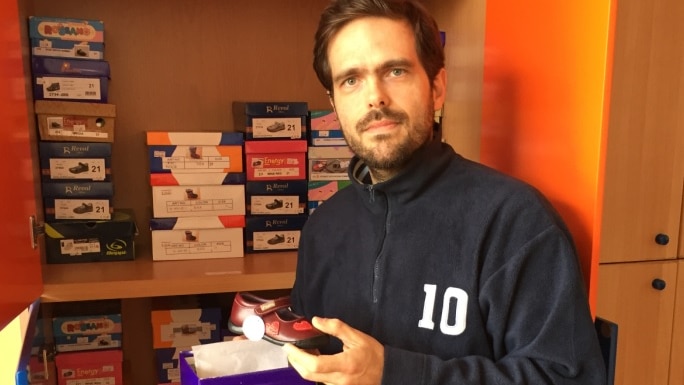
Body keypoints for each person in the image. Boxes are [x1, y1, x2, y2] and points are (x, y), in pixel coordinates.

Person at [282, 0, 607, 384]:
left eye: (396, 71)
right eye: (351, 80)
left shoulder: (515, 221)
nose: (375, 98)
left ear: (437, 88)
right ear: (335, 104)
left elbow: (567, 378)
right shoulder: (323, 228)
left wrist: (394, 373)